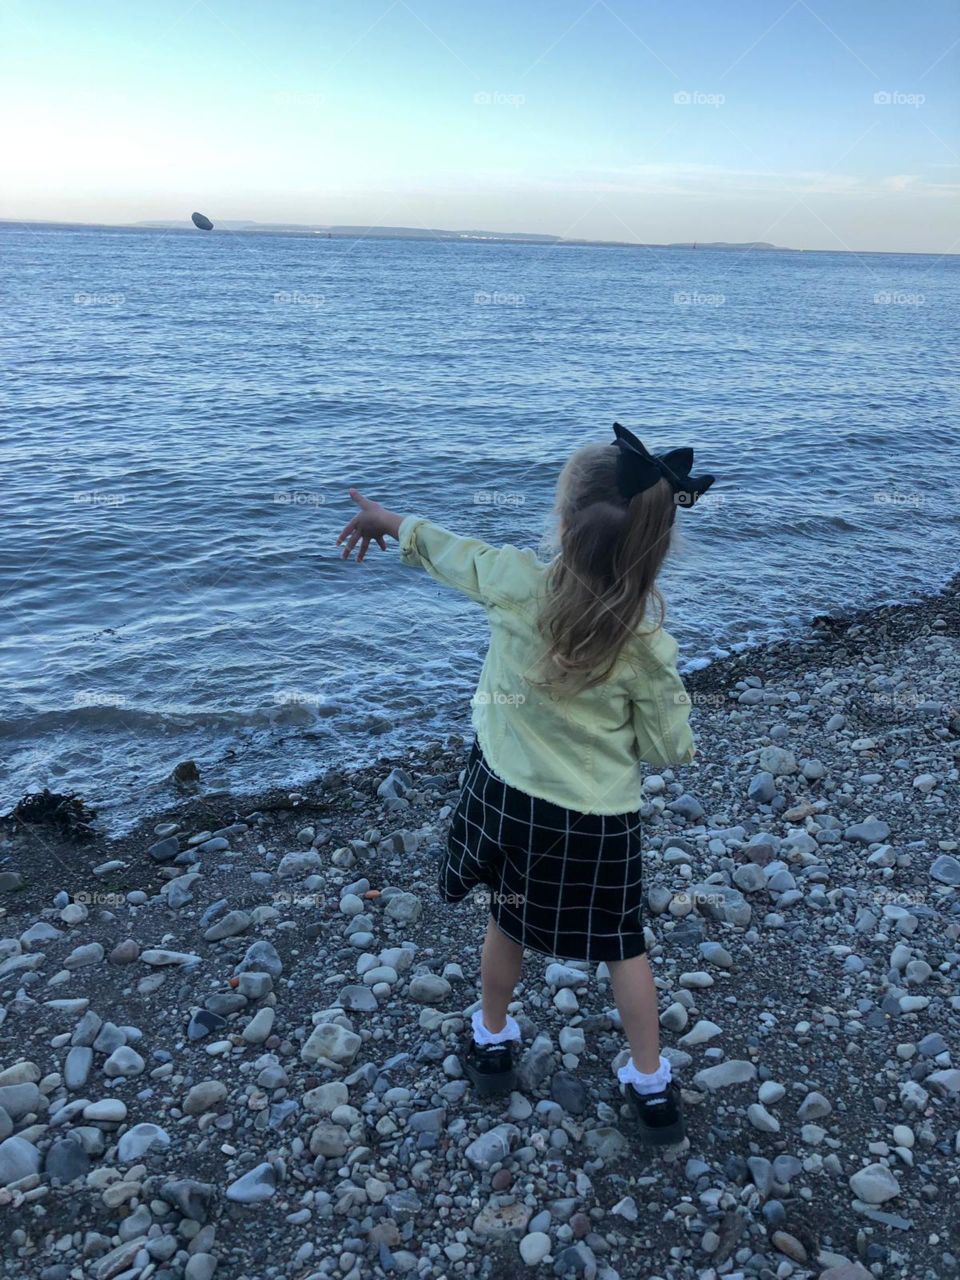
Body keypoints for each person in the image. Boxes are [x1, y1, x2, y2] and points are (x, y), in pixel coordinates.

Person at [336, 422, 715, 1146]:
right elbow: (670, 749)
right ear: (653, 546)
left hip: (505, 795)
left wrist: (390, 522)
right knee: (622, 943)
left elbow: (451, 552)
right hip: (598, 820)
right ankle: (651, 1085)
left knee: (507, 919)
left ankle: (491, 1039)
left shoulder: (515, 583)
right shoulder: (647, 647)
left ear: (563, 525)